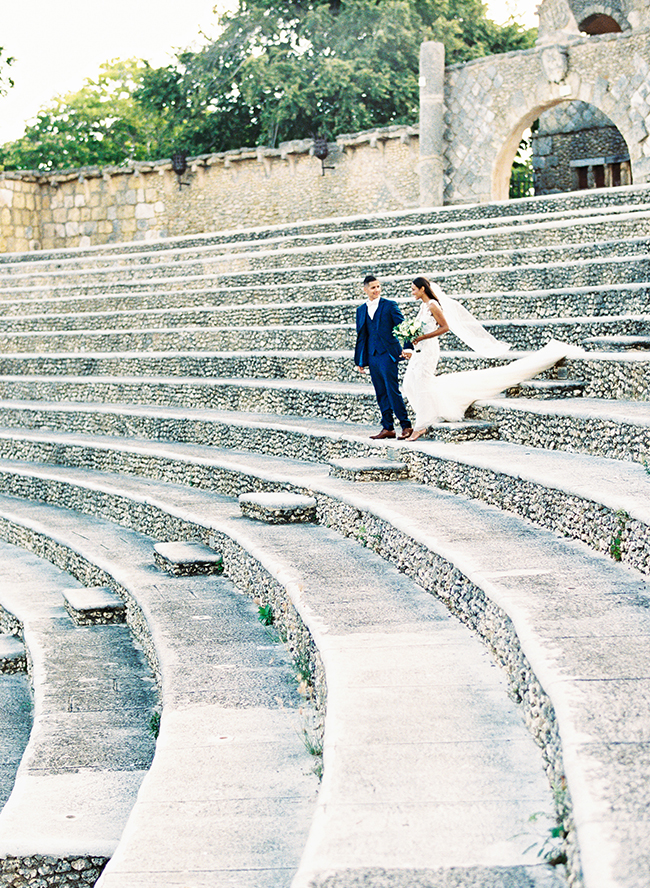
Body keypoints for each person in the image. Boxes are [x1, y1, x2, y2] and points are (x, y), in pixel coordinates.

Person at [401, 275, 584, 441]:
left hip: (429, 349)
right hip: (420, 349)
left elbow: (444, 327)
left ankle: (421, 426)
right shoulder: (423, 307)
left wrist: (423, 337)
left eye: (414, 289)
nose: (412, 292)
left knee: (422, 382)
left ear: (422, 289)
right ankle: (429, 412)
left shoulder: (433, 305)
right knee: (409, 382)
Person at [355, 274, 413, 440]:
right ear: (365, 290)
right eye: (373, 287)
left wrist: (408, 347)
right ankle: (388, 427)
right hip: (372, 356)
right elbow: (362, 336)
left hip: (388, 354)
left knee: (392, 390)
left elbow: (403, 326)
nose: (376, 290)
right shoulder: (361, 310)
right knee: (380, 392)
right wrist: (360, 360)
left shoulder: (389, 305)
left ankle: (405, 425)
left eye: (378, 286)